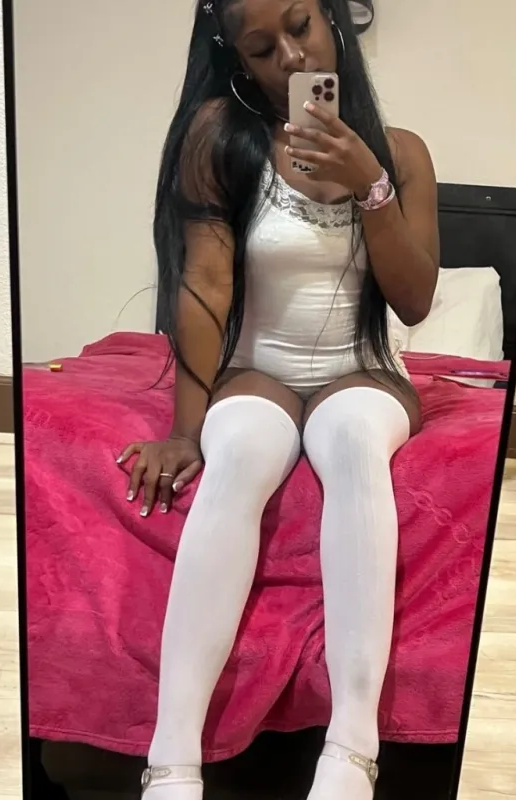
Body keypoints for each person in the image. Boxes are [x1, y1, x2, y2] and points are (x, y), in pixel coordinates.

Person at [117, 1, 439, 797]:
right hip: (255, 366)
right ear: (239, 58)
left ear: (335, 17)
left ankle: (352, 749)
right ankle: (171, 756)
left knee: (354, 439)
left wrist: (370, 184)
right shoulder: (220, 137)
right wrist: (185, 428)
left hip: (360, 367)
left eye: (301, 27)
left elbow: (413, 300)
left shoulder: (402, 152)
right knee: (240, 449)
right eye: (263, 49)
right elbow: (206, 281)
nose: (292, 59)